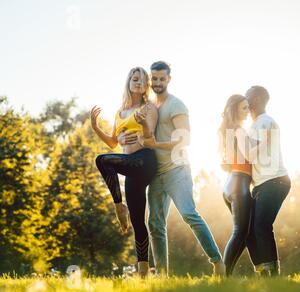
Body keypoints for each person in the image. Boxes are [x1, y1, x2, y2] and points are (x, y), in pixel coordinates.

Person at [118, 61, 225, 276]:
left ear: (169, 79)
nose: (157, 82)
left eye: (161, 78)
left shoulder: (176, 105)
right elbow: (131, 135)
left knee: (188, 214)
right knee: (155, 224)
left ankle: (217, 262)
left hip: (177, 169)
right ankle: (164, 275)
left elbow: (185, 139)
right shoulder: (149, 107)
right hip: (156, 173)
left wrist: (155, 144)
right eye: (154, 79)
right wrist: (122, 137)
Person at [90, 67, 158, 277]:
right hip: (130, 167)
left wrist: (142, 126)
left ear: (146, 85)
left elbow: (149, 138)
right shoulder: (119, 113)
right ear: (128, 83)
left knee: (102, 160)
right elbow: (112, 143)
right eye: (134, 79)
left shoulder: (149, 108)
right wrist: (95, 127)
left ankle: (119, 207)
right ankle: (144, 273)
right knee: (138, 221)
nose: (138, 82)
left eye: (142, 80)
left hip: (144, 161)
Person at [245, 85, 291, 276]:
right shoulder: (256, 124)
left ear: (255, 99)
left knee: (261, 226)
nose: (244, 101)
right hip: (263, 183)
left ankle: (273, 275)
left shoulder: (264, 122)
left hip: (274, 181)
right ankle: (263, 271)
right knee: (249, 228)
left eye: (247, 97)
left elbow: (251, 155)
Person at [219, 94, 253, 276]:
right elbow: (250, 154)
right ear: (235, 110)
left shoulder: (228, 131)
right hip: (239, 185)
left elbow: (225, 164)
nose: (248, 111)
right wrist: (264, 143)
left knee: (245, 233)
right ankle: (223, 276)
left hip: (229, 185)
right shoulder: (239, 130)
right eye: (244, 108)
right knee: (240, 233)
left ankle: (227, 274)